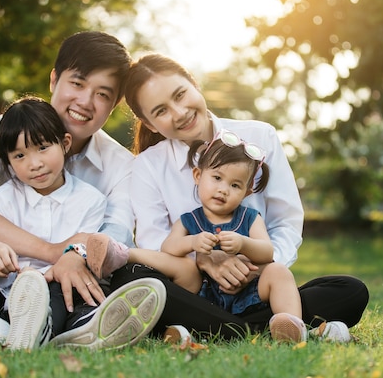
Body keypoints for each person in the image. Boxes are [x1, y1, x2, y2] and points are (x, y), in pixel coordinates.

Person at [0, 32, 166, 350]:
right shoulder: (2, 131)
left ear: (115, 103)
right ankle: (14, 324)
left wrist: (72, 257)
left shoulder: (120, 165)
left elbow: (115, 237)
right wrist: (50, 251)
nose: (85, 102)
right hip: (0, 284)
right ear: (54, 79)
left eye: (102, 94)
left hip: (67, 287)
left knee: (105, 284)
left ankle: (43, 325)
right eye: (77, 84)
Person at [110, 53, 369, 342]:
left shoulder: (261, 136)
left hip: (256, 289)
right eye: (161, 111)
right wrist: (207, 261)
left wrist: (254, 270)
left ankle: (213, 330)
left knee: (350, 290)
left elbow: (285, 222)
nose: (179, 112)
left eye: (181, 95)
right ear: (150, 124)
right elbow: (154, 242)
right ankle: (265, 328)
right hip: (193, 292)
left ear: (194, 85)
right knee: (133, 278)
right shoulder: (148, 165)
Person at [161, 133, 311, 342]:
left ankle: (291, 325)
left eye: (235, 185)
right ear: (197, 175)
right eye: (217, 178)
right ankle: (186, 331)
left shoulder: (249, 218)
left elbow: (268, 252)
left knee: (278, 271)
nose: (223, 189)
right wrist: (192, 242)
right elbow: (168, 248)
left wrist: (244, 243)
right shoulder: (188, 220)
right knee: (181, 277)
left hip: (248, 295)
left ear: (247, 192)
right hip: (205, 299)